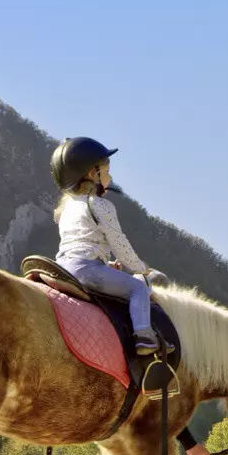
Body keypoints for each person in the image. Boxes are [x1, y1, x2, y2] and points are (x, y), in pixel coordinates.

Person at [50, 137, 168, 355]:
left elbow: (83, 243)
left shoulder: (65, 209)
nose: (110, 176)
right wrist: (141, 268)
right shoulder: (100, 205)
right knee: (138, 288)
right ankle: (144, 337)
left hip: (62, 267)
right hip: (86, 270)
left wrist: (106, 263)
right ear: (92, 174)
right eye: (106, 170)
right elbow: (119, 243)